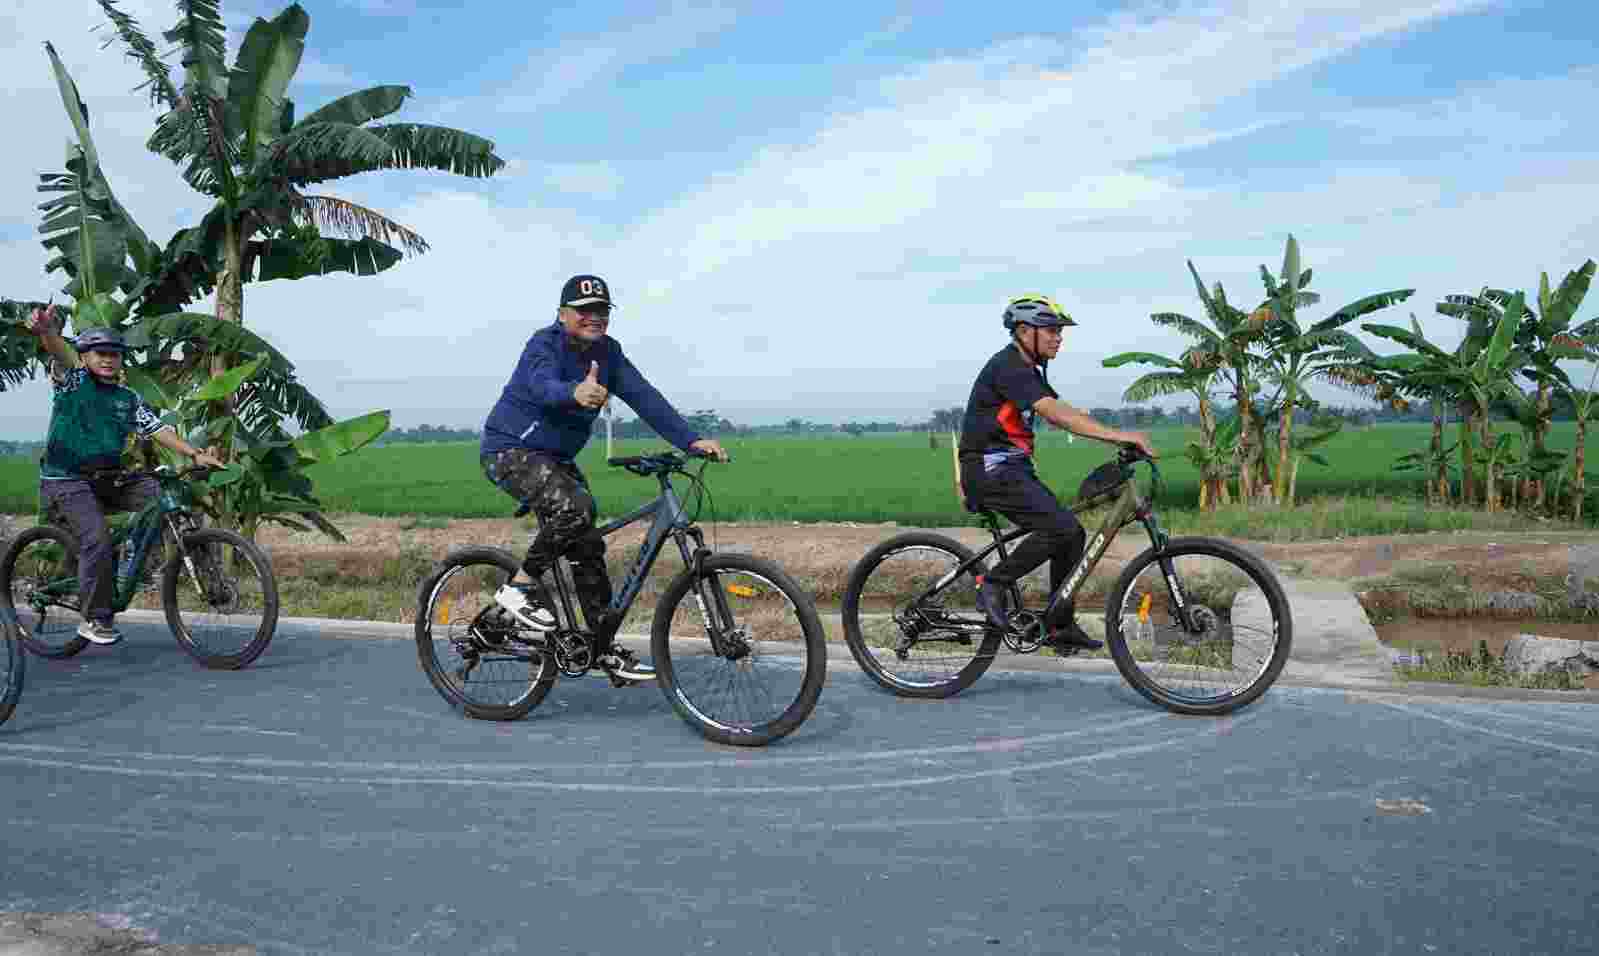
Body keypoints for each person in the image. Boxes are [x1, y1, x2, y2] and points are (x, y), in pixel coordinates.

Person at [479, 274, 727, 678]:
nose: (594, 317)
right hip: (510, 449)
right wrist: (573, 392)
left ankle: (600, 647)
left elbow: (646, 398)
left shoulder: (609, 354)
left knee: (588, 547)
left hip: (556, 458)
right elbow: (542, 384)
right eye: (584, 310)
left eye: (602, 311)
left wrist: (691, 441)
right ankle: (519, 587)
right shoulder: (543, 344)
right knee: (576, 508)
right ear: (563, 315)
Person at [957, 295, 1157, 653]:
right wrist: (1119, 434)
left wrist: (1114, 438)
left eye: (1060, 331)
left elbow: (1064, 410)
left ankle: (1058, 623)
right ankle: (992, 584)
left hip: (1011, 468)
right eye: (1051, 330)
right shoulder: (1008, 367)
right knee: (1060, 528)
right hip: (990, 470)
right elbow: (1057, 415)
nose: (1058, 337)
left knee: (1071, 533)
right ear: (1023, 331)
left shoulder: (1027, 371)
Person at [26, 305, 225, 646]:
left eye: (115, 355)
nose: (108, 360)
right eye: (99, 354)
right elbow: (60, 350)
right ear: (85, 357)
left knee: (169, 499)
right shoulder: (73, 381)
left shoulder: (126, 398)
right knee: (98, 539)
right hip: (67, 481)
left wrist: (193, 452)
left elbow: (157, 428)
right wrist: (46, 332)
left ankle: (131, 560)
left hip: (108, 479)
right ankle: (94, 617)